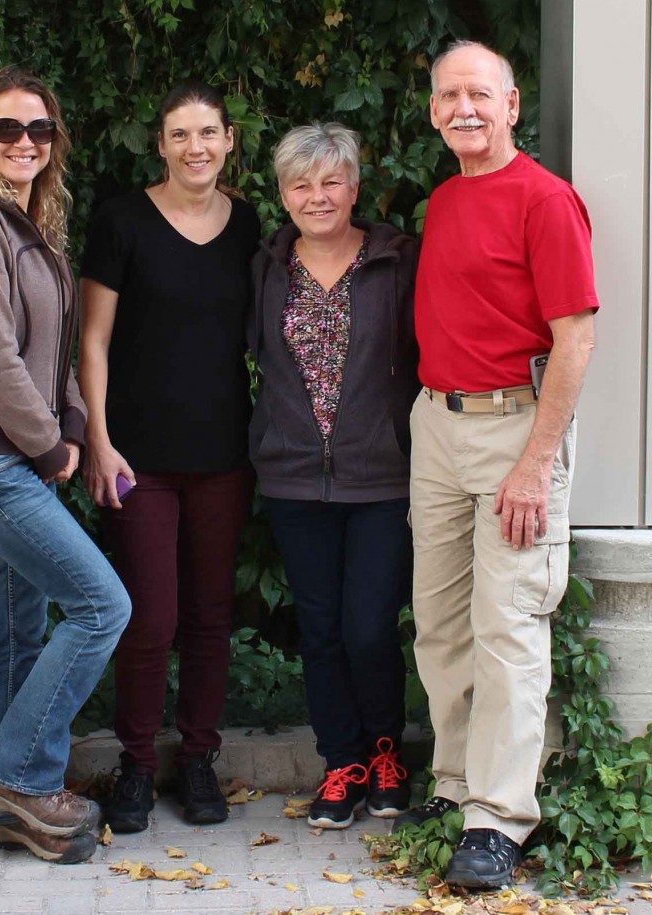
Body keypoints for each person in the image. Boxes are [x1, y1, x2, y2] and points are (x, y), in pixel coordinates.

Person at [397, 41, 598, 889]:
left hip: (516, 429)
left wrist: (536, 462)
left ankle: (499, 818)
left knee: (509, 624)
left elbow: (575, 338)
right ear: (434, 111)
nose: (464, 108)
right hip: (437, 426)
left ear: (512, 105)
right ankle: (453, 783)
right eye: (450, 96)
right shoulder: (446, 199)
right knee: (441, 622)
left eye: (480, 94)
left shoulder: (546, 200)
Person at [0, 66, 131, 864]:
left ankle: (3, 808)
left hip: (20, 455)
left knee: (20, 632)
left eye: (38, 129)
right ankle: (18, 774)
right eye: (6, 128)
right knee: (101, 606)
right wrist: (48, 444)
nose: (24, 142)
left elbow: (53, 353)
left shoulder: (30, 223)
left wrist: (70, 424)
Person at [79, 81, 261, 833]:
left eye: (208, 132)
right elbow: (92, 340)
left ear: (228, 140)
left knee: (210, 616)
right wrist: (98, 439)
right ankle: (135, 764)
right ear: (160, 144)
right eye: (180, 134)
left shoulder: (247, 224)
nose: (196, 147)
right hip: (136, 457)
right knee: (150, 616)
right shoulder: (122, 220)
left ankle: (197, 758)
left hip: (223, 452)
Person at [248, 123, 418, 829]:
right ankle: (341, 762)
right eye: (301, 184)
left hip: (382, 476)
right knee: (319, 629)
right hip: (294, 479)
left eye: (330, 181)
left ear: (354, 188)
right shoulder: (267, 268)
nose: (316, 196)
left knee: (369, 626)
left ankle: (385, 751)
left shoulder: (397, 262)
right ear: (283, 193)